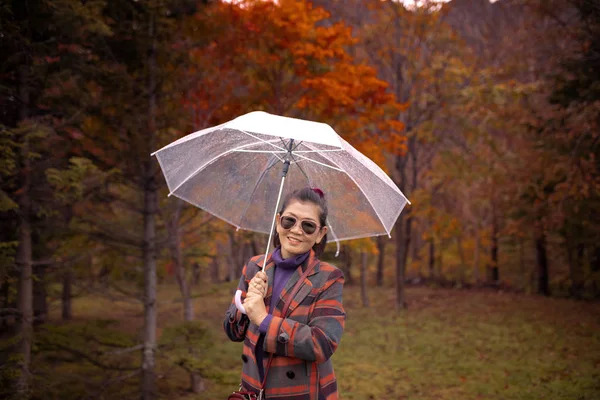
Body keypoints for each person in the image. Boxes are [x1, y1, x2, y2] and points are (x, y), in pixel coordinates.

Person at [224, 187, 346, 400]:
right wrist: (245, 306)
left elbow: (322, 343)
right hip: (253, 389)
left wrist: (263, 319)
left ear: (320, 234)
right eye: (290, 221)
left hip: (302, 393)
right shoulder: (255, 266)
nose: (297, 230)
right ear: (278, 222)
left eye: (308, 226)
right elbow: (233, 332)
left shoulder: (328, 277)